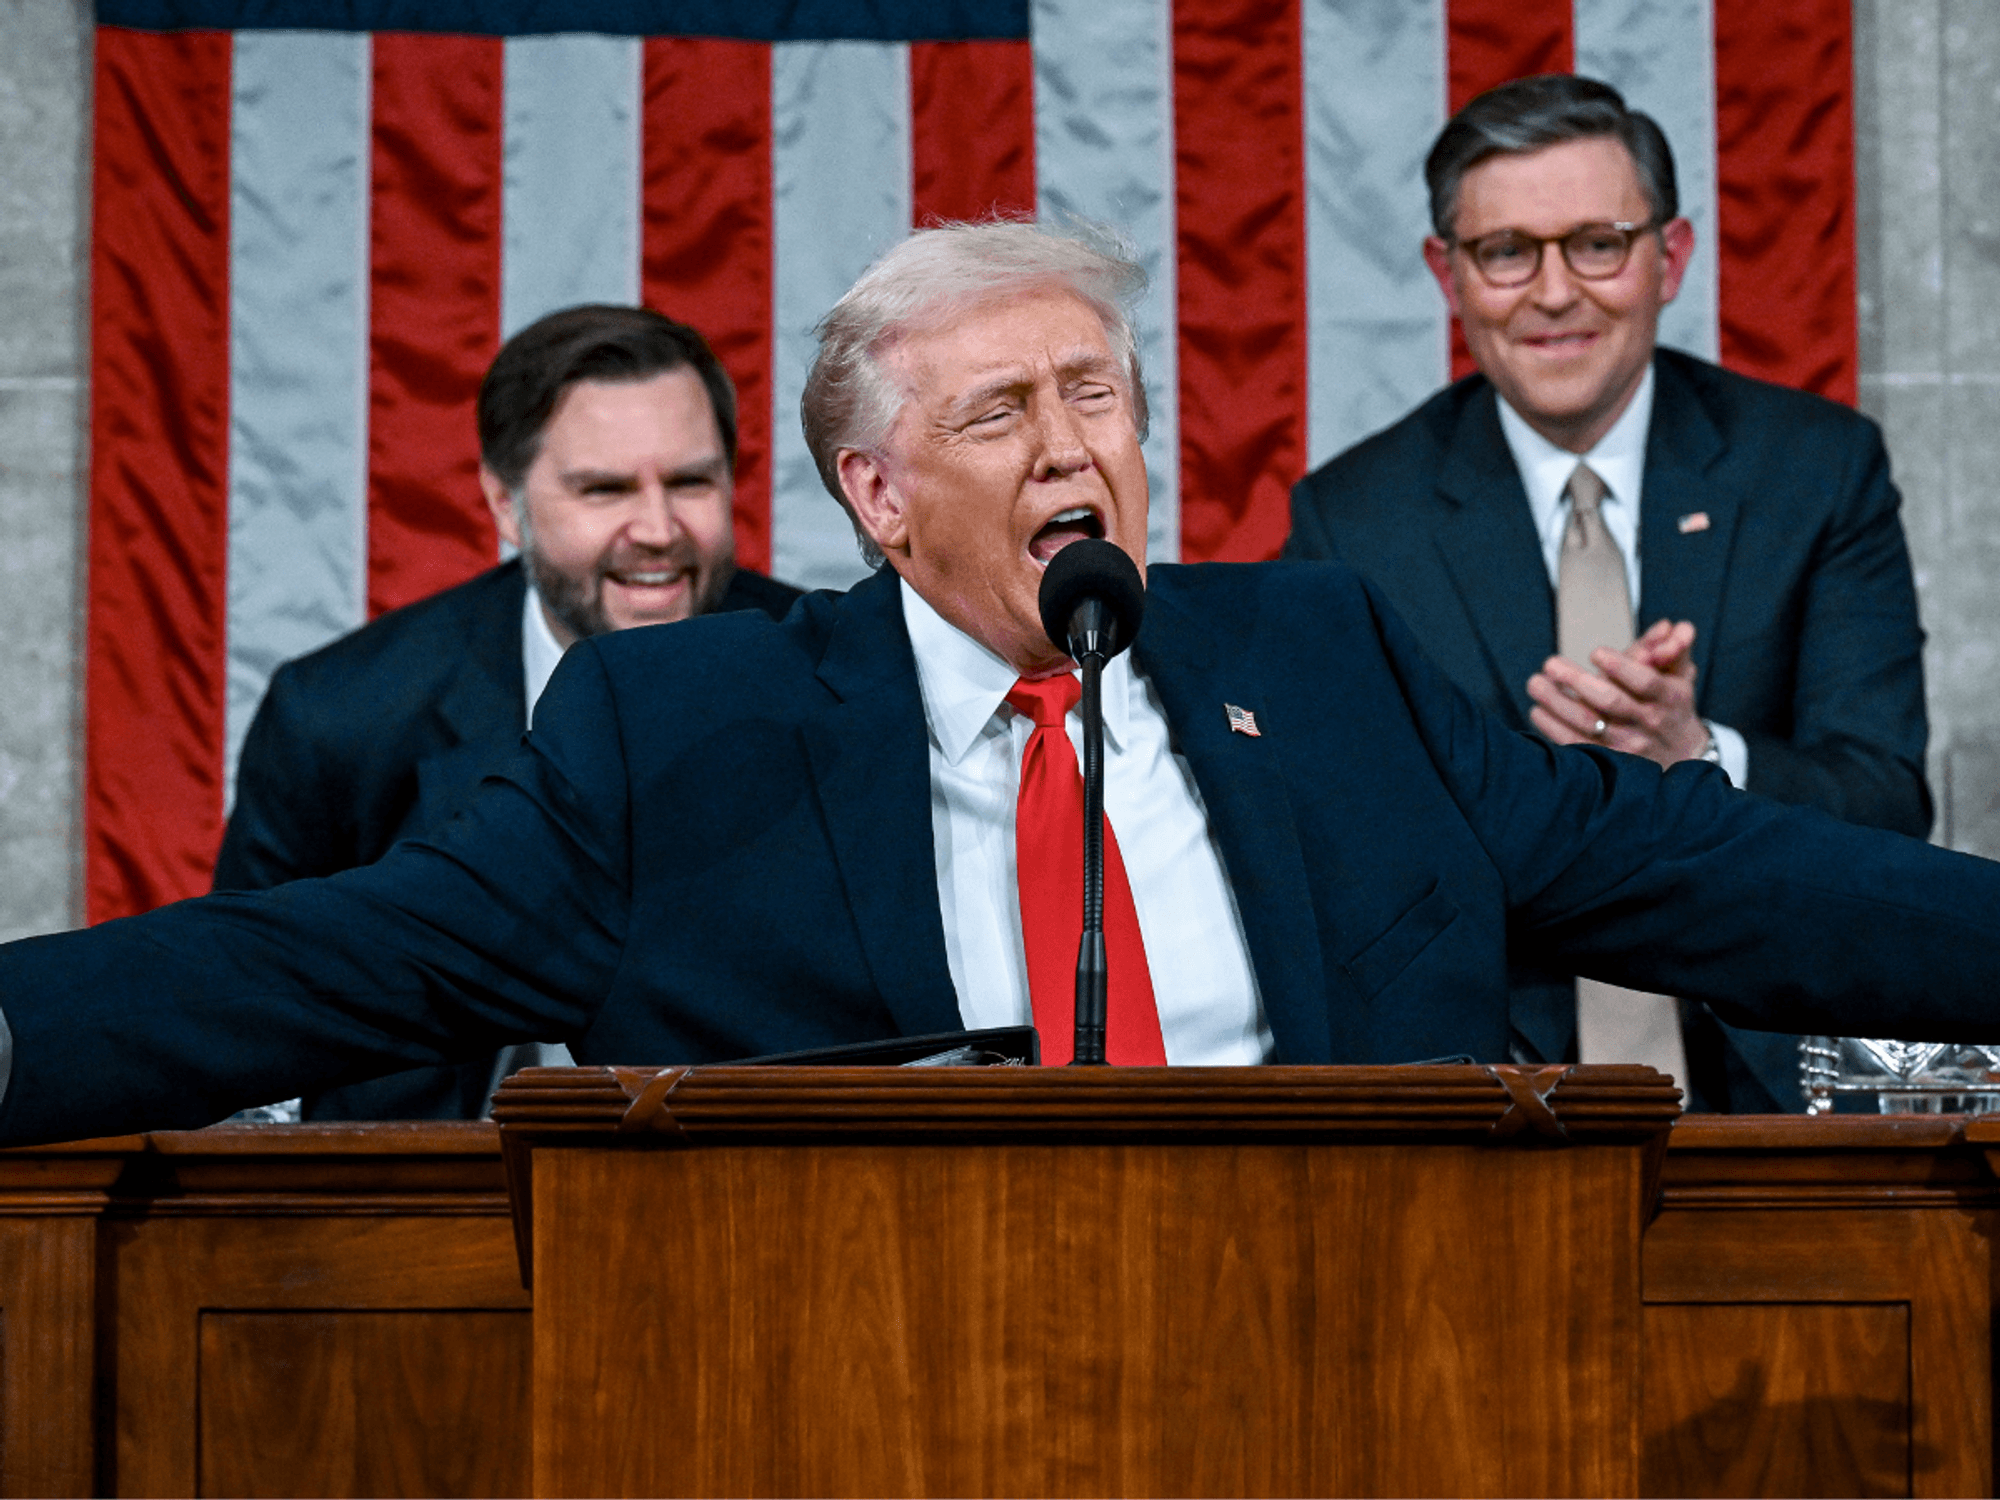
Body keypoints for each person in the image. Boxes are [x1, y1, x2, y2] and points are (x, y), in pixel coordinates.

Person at [0, 219, 1993, 1150]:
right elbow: (335, 959)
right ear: (875, 496)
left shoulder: (1324, 662)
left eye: (1094, 398)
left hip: (1355, 1375)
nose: (1069, 452)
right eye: (997, 416)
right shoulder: (682, 732)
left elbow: (1710, 875)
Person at [1285, 75, 1930, 1112]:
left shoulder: (1815, 471)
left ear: (1670, 257)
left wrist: (1696, 759)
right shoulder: (1353, 519)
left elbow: (1888, 806)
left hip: (1775, 1090)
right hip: (1490, 1096)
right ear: (1447, 273)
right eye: (1506, 251)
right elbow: (1334, 857)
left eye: (1596, 244)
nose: (1552, 293)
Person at [213, 305, 801, 1119]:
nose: (658, 529)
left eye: (690, 482)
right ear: (503, 502)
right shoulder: (338, 717)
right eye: (605, 489)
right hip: (431, 1179)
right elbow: (244, 1018)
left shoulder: (835, 679)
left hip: (753, 1169)